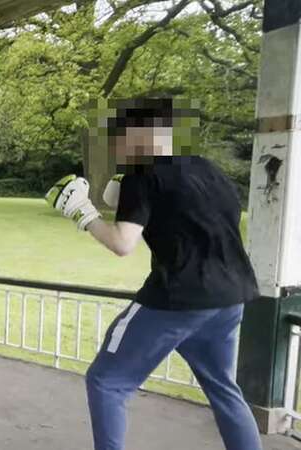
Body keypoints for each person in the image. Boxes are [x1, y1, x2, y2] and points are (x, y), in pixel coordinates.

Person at [45, 98, 262, 450]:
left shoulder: (142, 174)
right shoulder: (209, 169)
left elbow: (122, 243)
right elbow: (190, 215)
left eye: (119, 137)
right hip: (229, 299)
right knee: (224, 389)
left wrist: (84, 214)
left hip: (176, 302)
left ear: (140, 135)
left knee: (106, 381)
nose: (116, 145)